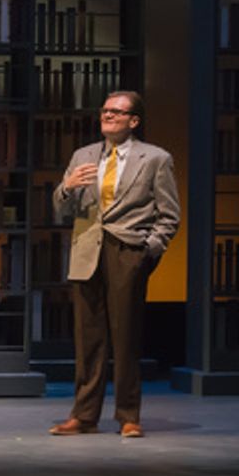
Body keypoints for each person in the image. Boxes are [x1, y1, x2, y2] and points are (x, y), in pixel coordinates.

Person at [49, 90, 180, 438]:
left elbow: (169, 215)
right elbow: (61, 209)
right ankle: (84, 416)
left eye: (116, 112)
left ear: (133, 120)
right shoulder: (84, 155)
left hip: (127, 251)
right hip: (86, 252)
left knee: (126, 338)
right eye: (105, 111)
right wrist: (66, 187)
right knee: (87, 339)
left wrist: (147, 251)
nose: (107, 116)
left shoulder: (155, 159)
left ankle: (128, 416)